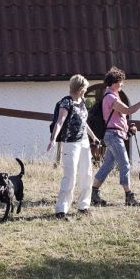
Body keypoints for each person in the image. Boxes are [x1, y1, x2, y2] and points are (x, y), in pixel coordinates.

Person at [91, 67, 140, 207]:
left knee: (108, 166)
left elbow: (119, 118)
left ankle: (93, 193)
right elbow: (127, 110)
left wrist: (128, 128)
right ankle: (129, 196)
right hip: (113, 135)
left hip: (113, 134)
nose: (122, 84)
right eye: (120, 82)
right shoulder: (111, 97)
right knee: (125, 164)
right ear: (113, 83)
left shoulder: (112, 96)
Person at [48, 74, 99, 220]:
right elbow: (60, 122)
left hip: (83, 142)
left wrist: (93, 136)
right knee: (70, 176)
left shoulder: (82, 101)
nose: (86, 90)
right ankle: (61, 210)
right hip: (70, 144)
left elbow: (83, 122)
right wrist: (53, 139)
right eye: (85, 88)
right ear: (81, 88)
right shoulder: (66, 102)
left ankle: (84, 206)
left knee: (87, 174)